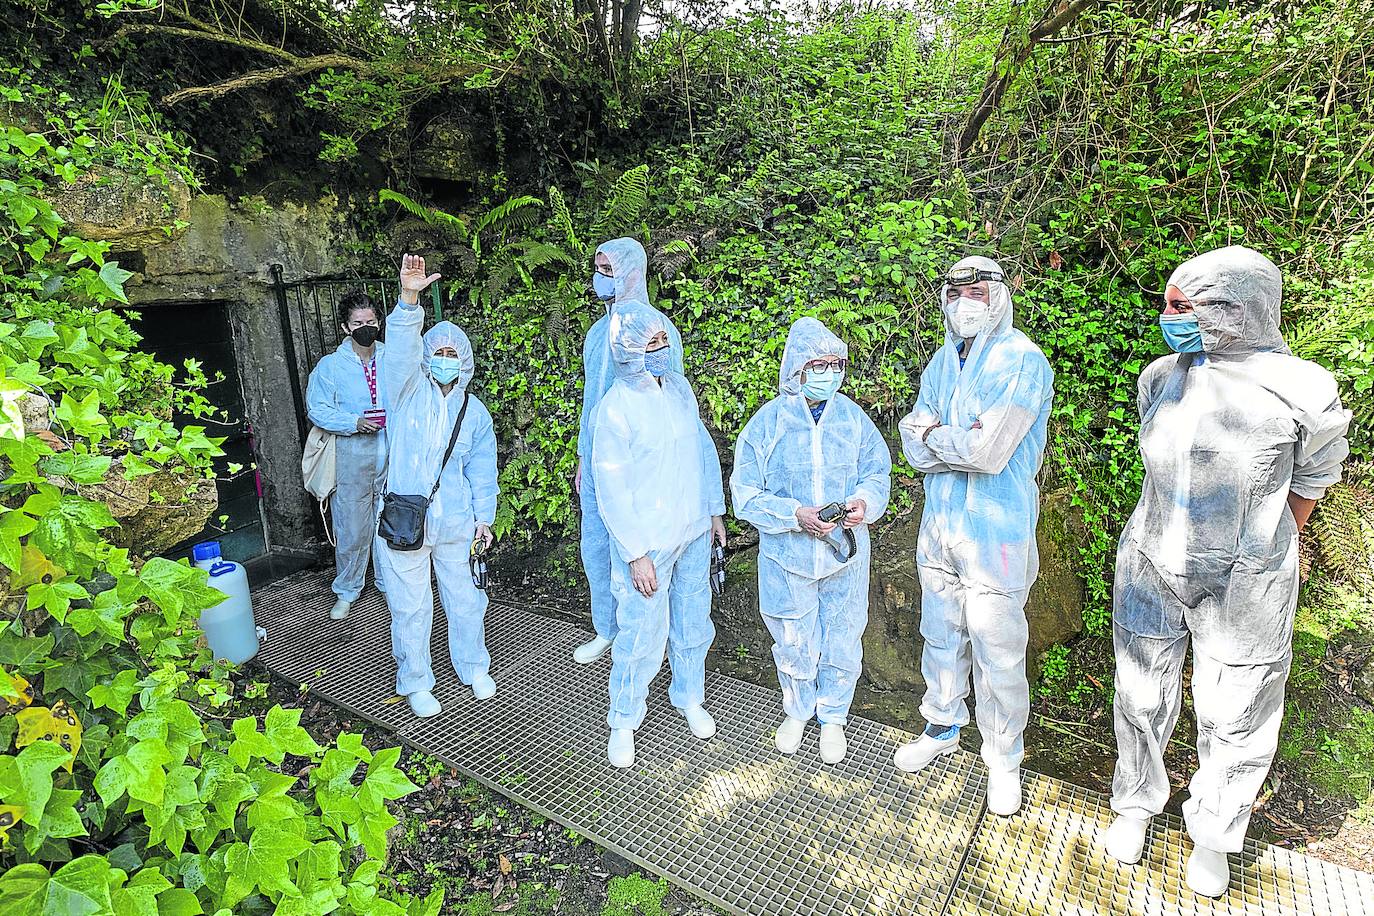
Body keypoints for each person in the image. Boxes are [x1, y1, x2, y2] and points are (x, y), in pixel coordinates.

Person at [1101, 246, 1350, 897]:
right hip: (1150, 560)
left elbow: (1315, 476)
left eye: (1183, 307)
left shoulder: (1303, 386)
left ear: (1233, 308)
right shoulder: (1163, 376)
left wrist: (1267, 544)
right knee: (1140, 695)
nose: (1169, 317)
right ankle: (1134, 805)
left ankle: (1213, 836)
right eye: (1169, 303)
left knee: (1236, 709)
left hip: (1246, 580)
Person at [893, 256, 1054, 818]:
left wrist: (935, 435)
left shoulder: (1022, 361)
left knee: (998, 649)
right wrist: (947, 438)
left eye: (977, 288)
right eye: (955, 288)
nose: (965, 297)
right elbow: (910, 447)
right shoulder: (941, 362)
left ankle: (1003, 757)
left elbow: (990, 454)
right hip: (939, 529)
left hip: (997, 533)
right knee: (939, 633)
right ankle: (940, 726)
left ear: (1000, 295)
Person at [731, 317, 891, 765]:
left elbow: (877, 473)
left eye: (836, 363)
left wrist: (863, 503)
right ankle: (798, 710)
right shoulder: (768, 423)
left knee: (843, 634)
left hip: (844, 552)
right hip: (789, 556)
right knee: (792, 634)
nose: (829, 372)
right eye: (818, 363)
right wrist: (793, 515)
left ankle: (834, 715)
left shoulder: (853, 418)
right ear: (796, 367)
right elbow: (745, 493)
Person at [590, 302, 726, 768]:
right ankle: (623, 719)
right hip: (647, 545)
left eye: (664, 341)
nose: (661, 350)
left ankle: (689, 696)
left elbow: (702, 452)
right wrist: (634, 553)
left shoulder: (679, 390)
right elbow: (612, 487)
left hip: (690, 532)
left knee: (692, 621)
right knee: (641, 632)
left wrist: (713, 512)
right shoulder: (615, 408)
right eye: (651, 344)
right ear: (628, 353)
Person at [378, 254, 499, 719]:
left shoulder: (475, 413)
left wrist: (483, 520)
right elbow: (402, 350)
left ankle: (473, 666)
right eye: (440, 354)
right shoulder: (405, 391)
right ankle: (415, 680)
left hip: (456, 523)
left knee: (466, 599)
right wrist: (410, 299)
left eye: (453, 355)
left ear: (464, 361)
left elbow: (482, 471)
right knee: (411, 606)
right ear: (429, 357)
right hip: (407, 519)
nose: (446, 361)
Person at [573, 238, 685, 666]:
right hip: (602, 461)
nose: (601, 278)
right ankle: (608, 627)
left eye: (608, 269)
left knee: (645, 553)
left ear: (630, 272)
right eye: (598, 268)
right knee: (597, 545)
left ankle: (651, 640)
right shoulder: (598, 334)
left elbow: (671, 397)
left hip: (645, 462)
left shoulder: (656, 329)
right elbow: (590, 405)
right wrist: (585, 456)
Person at [305, 291, 389, 620]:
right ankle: (347, 589)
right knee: (352, 527)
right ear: (345, 327)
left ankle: (389, 584)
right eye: (358, 323)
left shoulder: (392, 358)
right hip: (351, 456)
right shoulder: (330, 367)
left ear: (379, 324)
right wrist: (352, 422)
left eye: (370, 322)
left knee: (390, 524)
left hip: (391, 453)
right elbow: (318, 409)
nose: (365, 327)